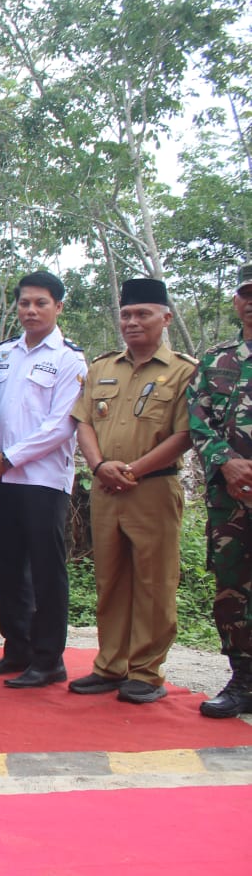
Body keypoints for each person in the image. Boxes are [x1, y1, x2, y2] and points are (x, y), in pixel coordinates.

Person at [67, 278, 196, 704]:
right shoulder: (102, 368)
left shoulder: (183, 371)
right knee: (111, 579)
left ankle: (145, 671)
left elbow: (185, 434)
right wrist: (101, 466)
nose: (133, 322)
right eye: (126, 314)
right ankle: (110, 665)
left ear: (165, 318)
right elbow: (83, 421)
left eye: (143, 314)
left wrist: (134, 469)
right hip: (107, 489)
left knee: (154, 582)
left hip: (153, 490)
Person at [0, 271, 88, 688]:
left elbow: (62, 424)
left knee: (45, 570)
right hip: (1, 477)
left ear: (58, 306)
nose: (31, 310)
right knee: (6, 566)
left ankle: (48, 659)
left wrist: (9, 457)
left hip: (43, 480)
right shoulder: (2, 354)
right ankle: (17, 648)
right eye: (24, 303)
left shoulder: (69, 359)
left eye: (40, 303)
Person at [189, 263, 252, 718]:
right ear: (236, 302)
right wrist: (226, 462)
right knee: (232, 590)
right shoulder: (217, 359)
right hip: (230, 498)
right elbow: (198, 419)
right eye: (246, 293)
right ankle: (243, 680)